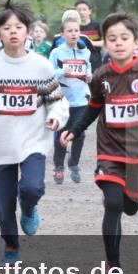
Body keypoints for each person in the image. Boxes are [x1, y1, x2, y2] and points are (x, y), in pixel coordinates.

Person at [0, 0, 68, 264]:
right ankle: (11, 244)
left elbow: (57, 100)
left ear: (28, 32)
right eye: (7, 28)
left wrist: (55, 117)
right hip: (4, 143)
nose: (13, 32)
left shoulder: (41, 66)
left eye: (19, 27)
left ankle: (29, 209)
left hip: (34, 140)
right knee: (3, 207)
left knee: (32, 188)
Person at [60, 12, 138, 274]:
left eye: (124, 38)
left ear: (136, 42)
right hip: (109, 150)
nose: (118, 43)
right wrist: (75, 129)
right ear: (104, 43)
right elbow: (94, 106)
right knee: (114, 204)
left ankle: (134, 196)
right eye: (112, 39)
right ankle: (114, 267)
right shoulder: (101, 76)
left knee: (130, 207)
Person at [49, 14, 92, 184]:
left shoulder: (85, 52)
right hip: (63, 101)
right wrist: (62, 72)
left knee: (79, 135)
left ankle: (73, 163)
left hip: (81, 100)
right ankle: (59, 167)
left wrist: (89, 76)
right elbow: (49, 72)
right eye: (69, 31)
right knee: (61, 134)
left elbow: (88, 70)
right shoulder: (56, 52)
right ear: (62, 34)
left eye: (76, 31)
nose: (74, 34)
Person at [75, 0, 104, 72]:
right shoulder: (73, 27)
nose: (81, 12)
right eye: (79, 10)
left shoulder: (97, 25)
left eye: (84, 9)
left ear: (89, 11)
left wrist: (90, 42)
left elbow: (105, 42)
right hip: (78, 62)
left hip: (95, 62)